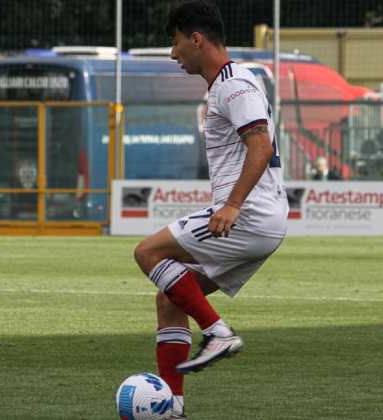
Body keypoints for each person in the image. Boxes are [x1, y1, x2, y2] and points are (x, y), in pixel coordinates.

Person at [133, 1, 288, 418]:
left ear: (196, 39)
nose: (173, 53)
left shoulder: (234, 85)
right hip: (261, 218)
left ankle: (218, 333)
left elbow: (261, 146)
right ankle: (173, 407)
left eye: (175, 41)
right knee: (170, 300)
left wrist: (233, 205)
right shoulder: (228, 83)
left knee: (147, 253)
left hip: (250, 214)